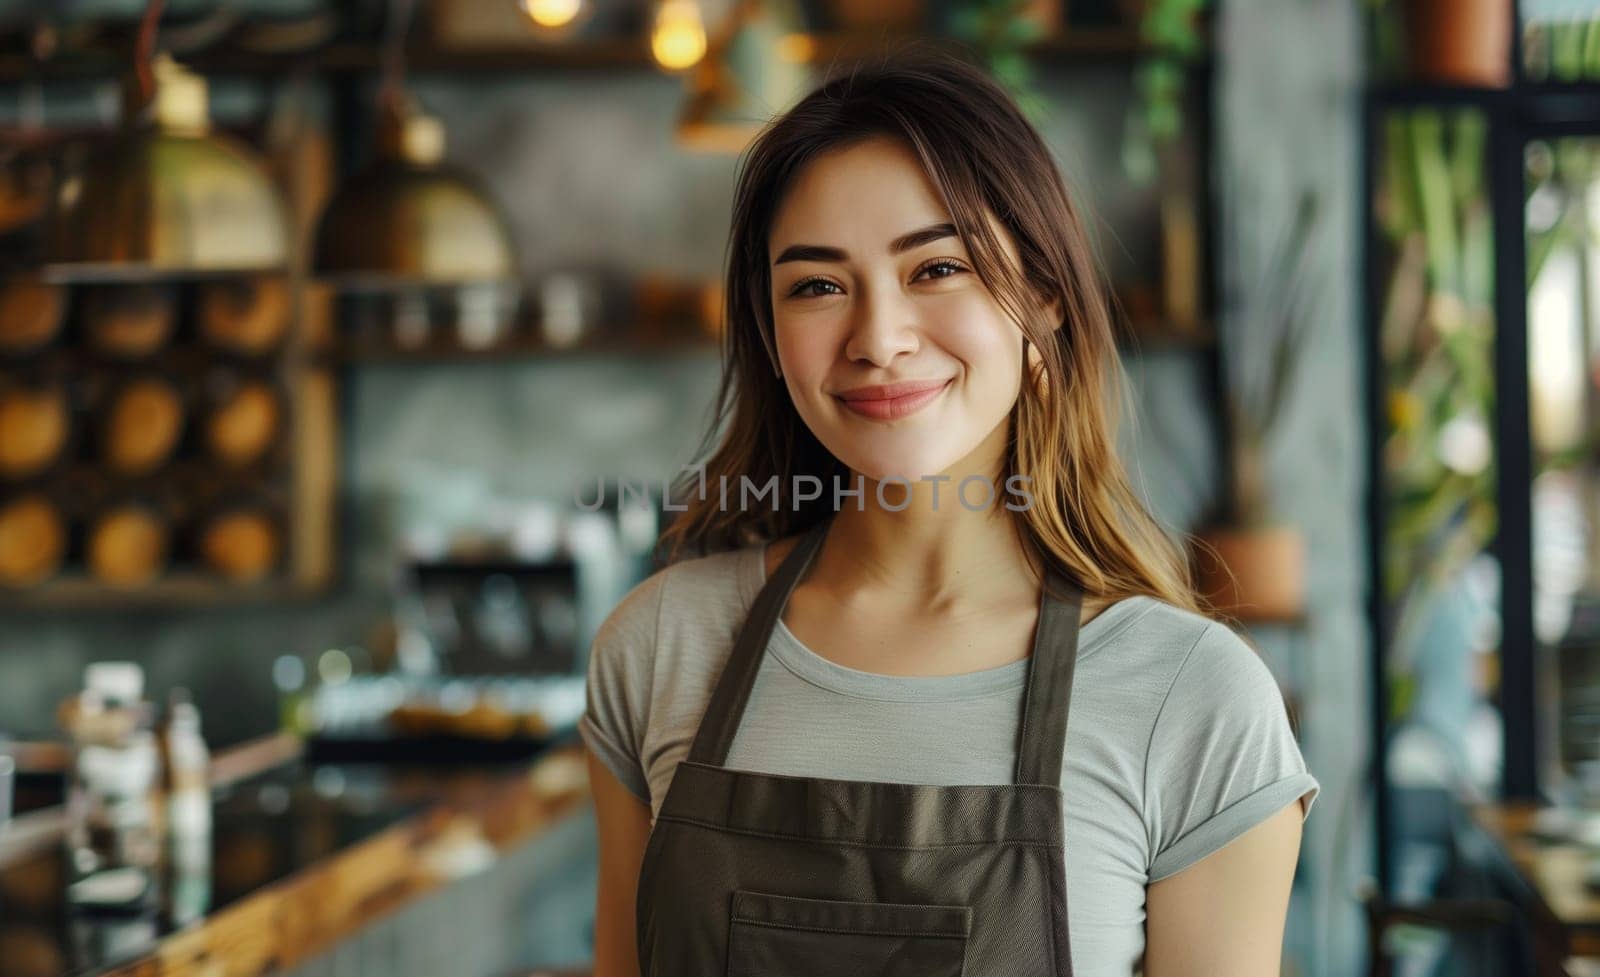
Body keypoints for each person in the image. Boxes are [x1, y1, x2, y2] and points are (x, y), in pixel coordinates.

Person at [580, 50, 1319, 977]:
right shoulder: (659, 647)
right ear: (770, 337)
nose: (879, 339)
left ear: (1043, 299)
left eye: (937, 267)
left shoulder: (1193, 699)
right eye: (817, 285)